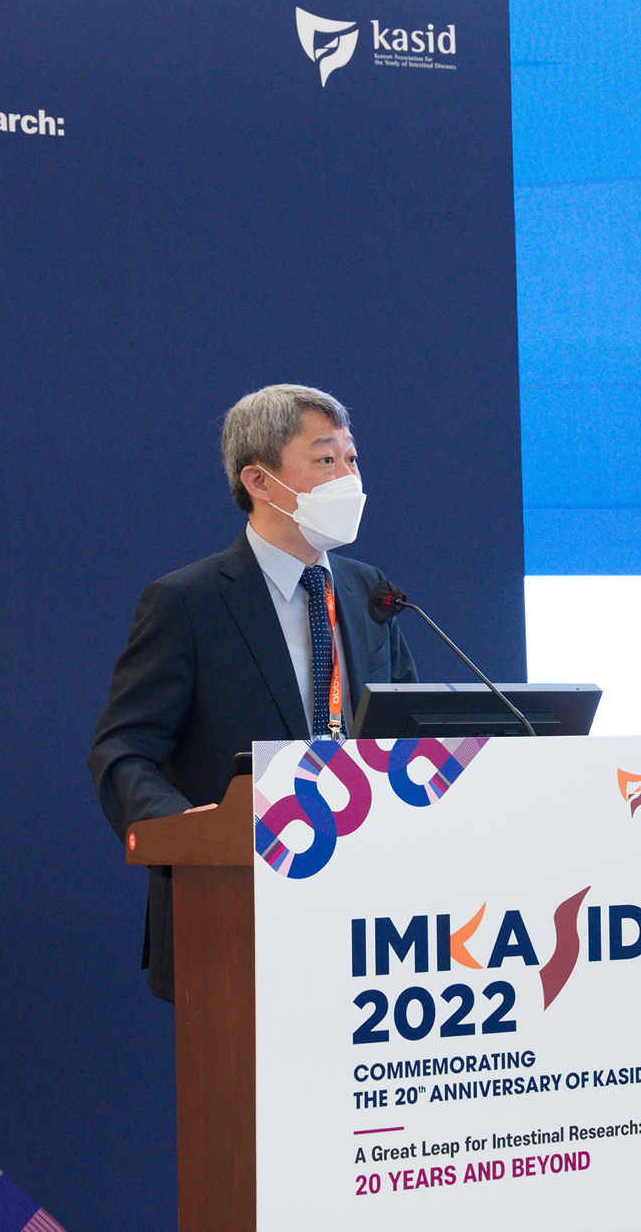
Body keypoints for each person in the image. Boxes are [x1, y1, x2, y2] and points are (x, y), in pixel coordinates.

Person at [88, 384, 417, 1001]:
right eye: (326, 459)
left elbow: (408, 732)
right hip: (237, 902)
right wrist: (178, 826)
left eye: (352, 459)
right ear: (261, 481)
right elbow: (122, 748)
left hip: (369, 908)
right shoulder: (187, 602)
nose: (349, 478)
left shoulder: (369, 589)